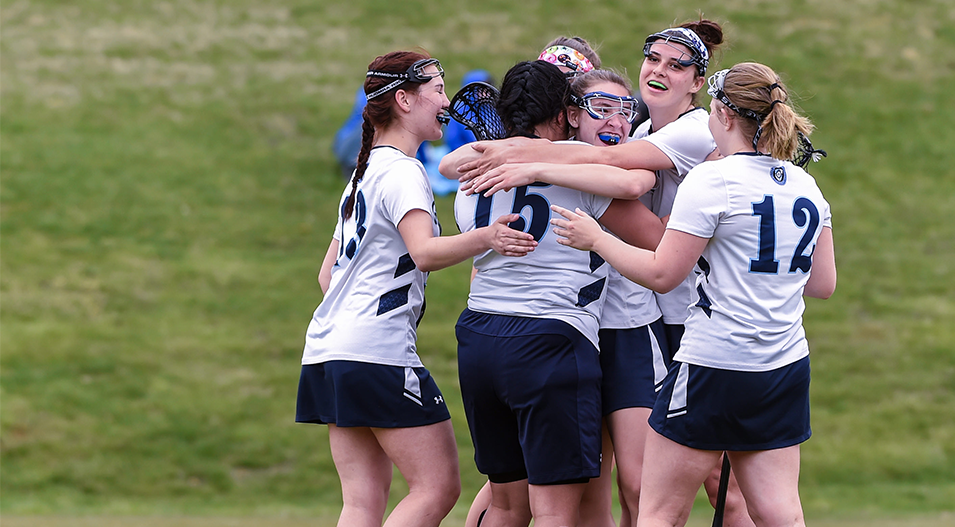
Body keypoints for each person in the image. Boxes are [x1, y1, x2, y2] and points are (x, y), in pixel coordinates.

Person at [450, 19, 757, 526]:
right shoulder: (621, 145)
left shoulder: (682, 132)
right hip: (580, 330)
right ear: (571, 115)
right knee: (566, 486)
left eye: (676, 65)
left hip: (664, 319)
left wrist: (534, 160)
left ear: (699, 81)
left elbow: (632, 186)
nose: (659, 72)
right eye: (598, 107)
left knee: (673, 478)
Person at [550, 61, 837, 527]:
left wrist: (597, 238)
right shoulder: (805, 184)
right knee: (779, 511)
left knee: (659, 512)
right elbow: (823, 285)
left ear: (722, 115)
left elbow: (663, 273)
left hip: (714, 364)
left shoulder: (712, 180)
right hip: (784, 365)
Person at [295, 50, 539, 527]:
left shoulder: (363, 174)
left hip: (327, 350)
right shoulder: (405, 171)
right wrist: (487, 237)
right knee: (438, 487)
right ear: (404, 100)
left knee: (361, 502)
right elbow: (424, 252)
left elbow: (328, 277)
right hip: (377, 352)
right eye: (438, 90)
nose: (446, 103)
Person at [453, 60, 661, 527]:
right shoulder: (579, 181)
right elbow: (654, 231)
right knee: (556, 511)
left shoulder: (471, 176)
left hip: (479, 338)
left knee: (506, 505)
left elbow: (455, 166)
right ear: (567, 113)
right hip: (551, 341)